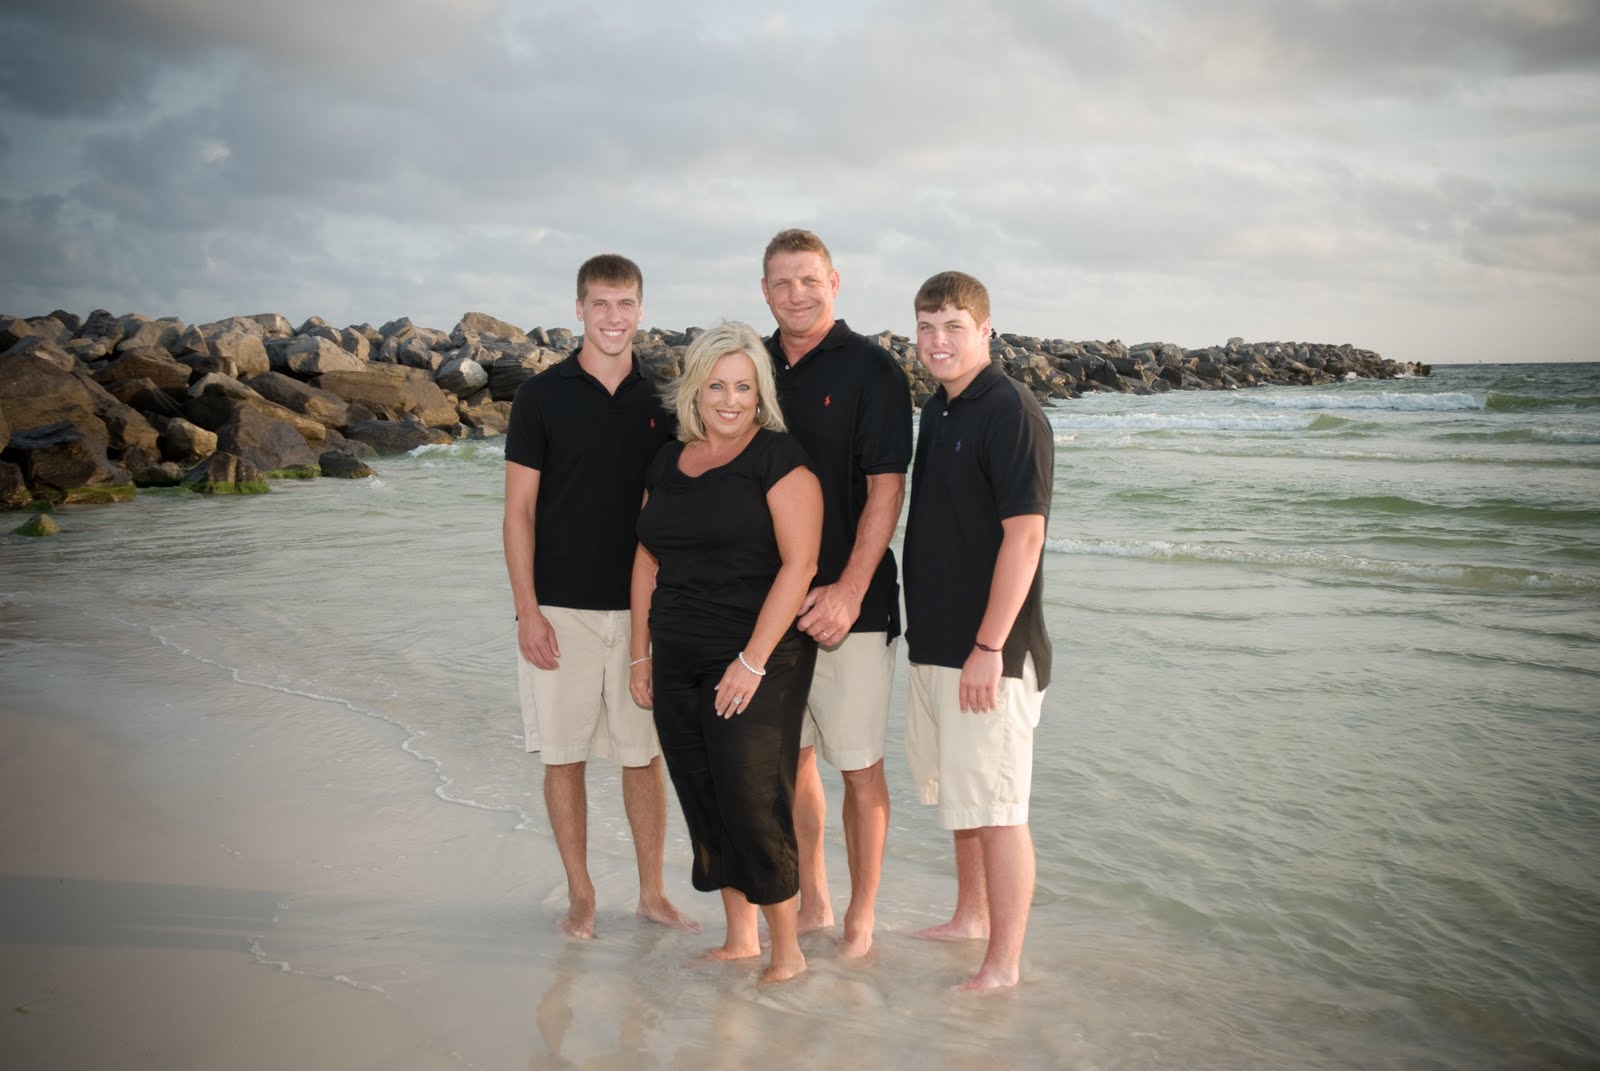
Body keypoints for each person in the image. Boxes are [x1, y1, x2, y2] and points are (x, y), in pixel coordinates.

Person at [503, 254, 698, 940]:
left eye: (625, 305)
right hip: (561, 607)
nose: (613, 317)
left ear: (641, 312)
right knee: (564, 755)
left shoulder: (665, 401)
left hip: (647, 610)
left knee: (643, 756)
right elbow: (518, 512)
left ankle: (650, 891)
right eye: (600, 304)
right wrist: (527, 609)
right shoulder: (540, 397)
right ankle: (581, 896)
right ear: (579, 309)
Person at [628, 321, 823, 985]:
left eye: (744, 386)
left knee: (752, 794)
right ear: (695, 390)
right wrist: (639, 652)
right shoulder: (669, 461)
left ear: (761, 392)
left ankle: (787, 951)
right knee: (702, 793)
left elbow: (799, 566)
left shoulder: (780, 459)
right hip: (676, 653)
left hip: (758, 657)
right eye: (717, 385)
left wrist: (752, 660)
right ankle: (740, 937)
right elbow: (647, 555)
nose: (730, 398)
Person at [760, 228, 912, 957]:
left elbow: (887, 487)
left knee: (859, 765)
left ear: (835, 282)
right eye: (783, 283)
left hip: (854, 606)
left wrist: (850, 589)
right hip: (769, 606)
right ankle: (813, 898)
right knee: (790, 759)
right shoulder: (749, 366)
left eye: (809, 280)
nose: (797, 294)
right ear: (765, 291)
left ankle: (860, 917)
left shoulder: (873, 371)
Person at [901, 271, 1054, 992]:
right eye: (927, 327)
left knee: (999, 807)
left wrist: (989, 646)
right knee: (964, 795)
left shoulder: (1010, 411)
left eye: (952, 326)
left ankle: (1004, 963)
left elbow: (1023, 538)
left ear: (985, 331)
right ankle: (969, 917)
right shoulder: (938, 411)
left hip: (991, 651)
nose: (937, 340)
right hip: (938, 642)